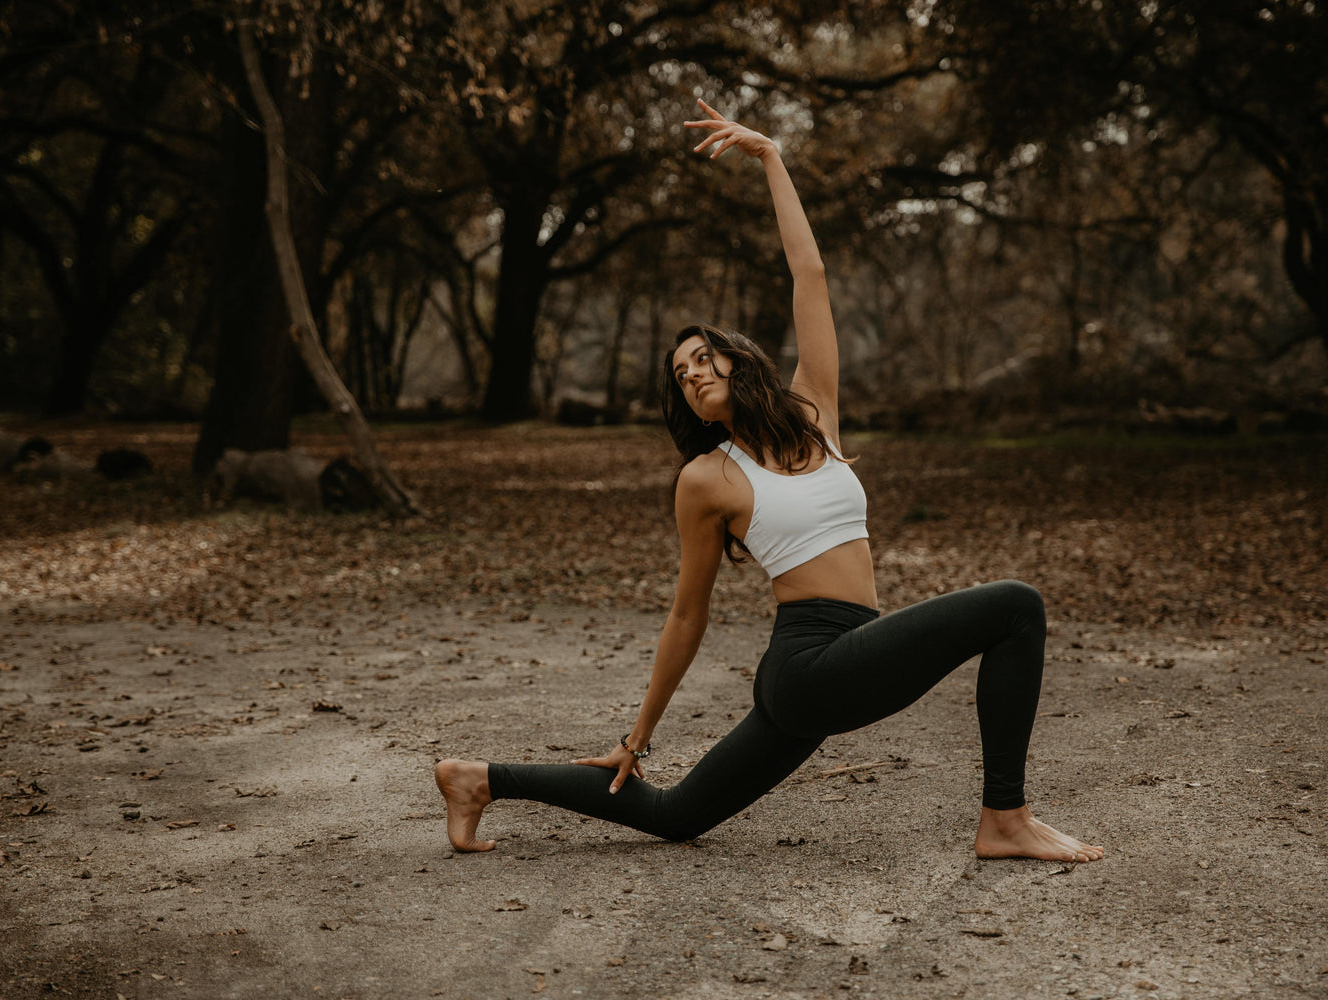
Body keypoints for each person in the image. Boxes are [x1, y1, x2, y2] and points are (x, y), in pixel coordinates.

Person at [435, 98, 1103, 864]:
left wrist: (771, 158)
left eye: (701, 359)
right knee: (1016, 608)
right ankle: (1005, 819)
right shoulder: (707, 479)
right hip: (809, 665)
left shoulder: (813, 410)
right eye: (680, 377)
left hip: (848, 656)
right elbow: (687, 617)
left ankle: (477, 779)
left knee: (675, 815)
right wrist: (636, 736)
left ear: (735, 358)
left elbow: (808, 273)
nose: (691, 376)